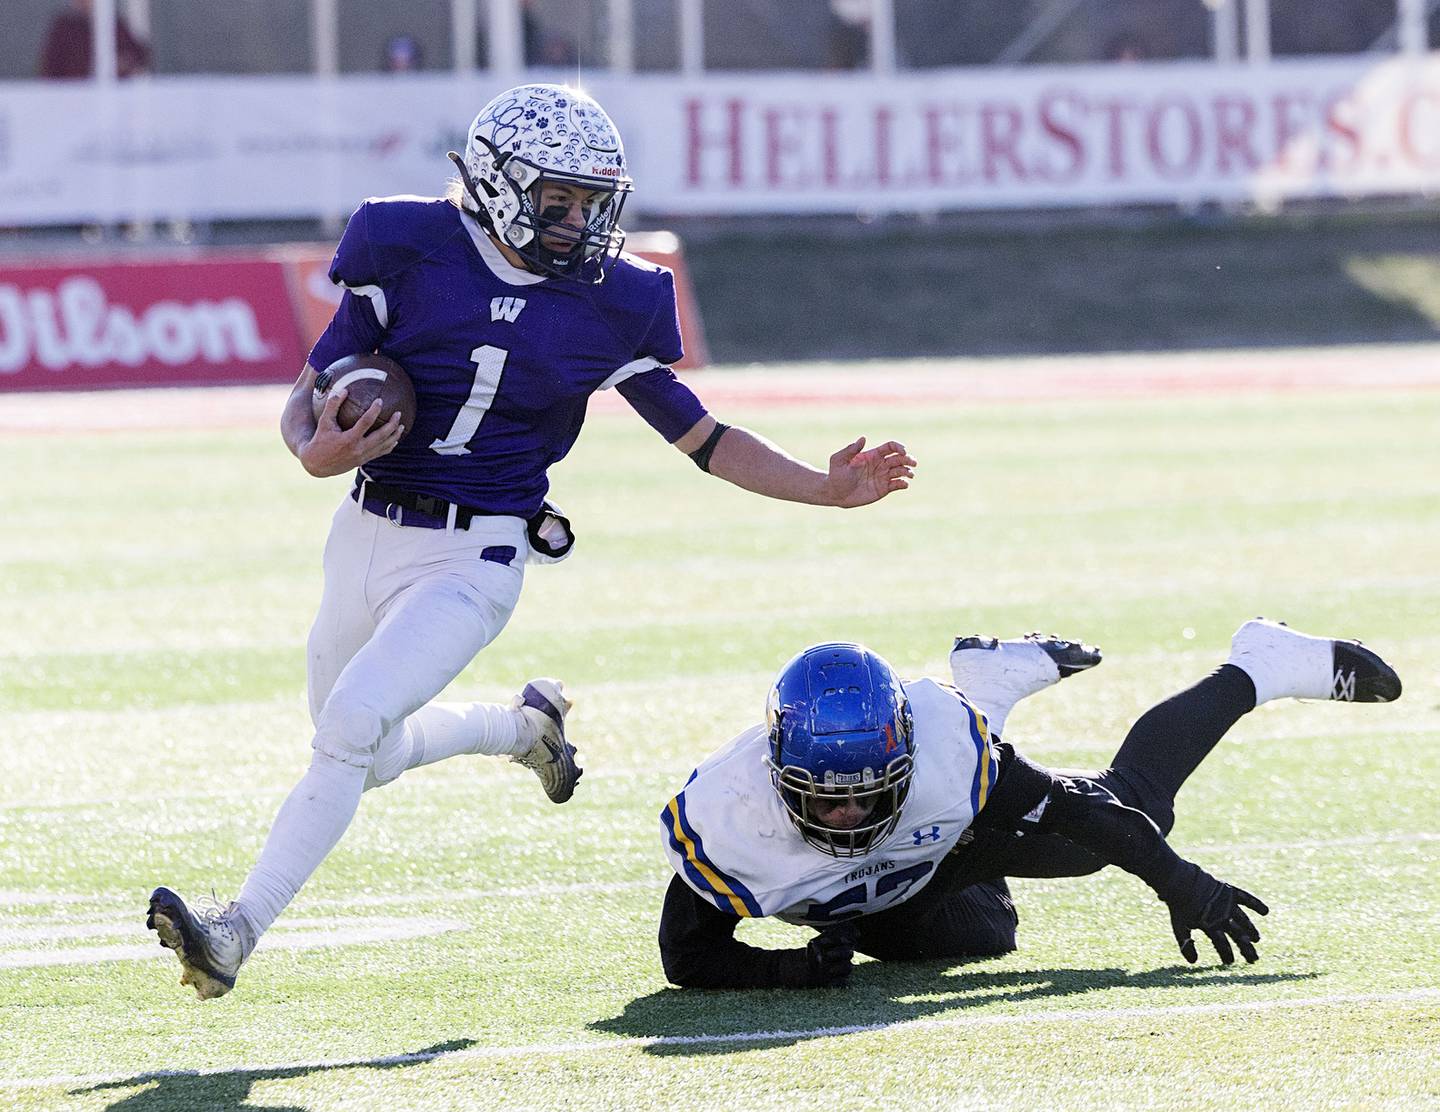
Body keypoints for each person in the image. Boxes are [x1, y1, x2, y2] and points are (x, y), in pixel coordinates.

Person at [145, 83, 915, 1001]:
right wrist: (311, 450)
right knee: (362, 749)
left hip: (478, 556)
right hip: (365, 527)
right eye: (561, 201)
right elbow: (310, 389)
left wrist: (823, 489)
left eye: (594, 203)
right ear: (501, 187)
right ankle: (522, 728)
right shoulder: (407, 244)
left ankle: (234, 932)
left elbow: (703, 438)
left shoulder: (612, 300)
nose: (580, 222)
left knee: (350, 728)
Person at [658, 619, 1402, 988]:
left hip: (942, 846)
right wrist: (793, 974)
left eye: (869, 792)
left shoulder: (945, 752)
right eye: (824, 802)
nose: (848, 816)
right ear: (779, 773)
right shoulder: (730, 817)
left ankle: (1257, 667)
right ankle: (987, 687)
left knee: (1131, 815)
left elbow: (1081, 810)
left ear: (908, 758)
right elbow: (687, 954)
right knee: (981, 939)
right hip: (886, 897)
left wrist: (1182, 882)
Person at [39, 0, 151, 79]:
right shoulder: (64, 27)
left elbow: (139, 56)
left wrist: (123, 64)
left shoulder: (113, 24)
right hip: (72, 99)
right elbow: (50, 68)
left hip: (112, 97)